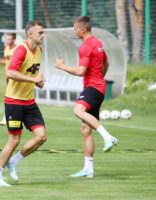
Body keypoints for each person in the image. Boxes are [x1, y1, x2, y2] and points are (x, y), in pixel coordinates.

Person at [54, 16, 119, 178]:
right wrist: (100, 79)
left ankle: (108, 136)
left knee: (78, 109)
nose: (74, 32)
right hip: (99, 87)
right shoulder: (98, 44)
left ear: (83, 29)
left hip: (92, 87)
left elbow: (80, 71)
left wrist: (62, 66)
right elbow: (107, 63)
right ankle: (88, 169)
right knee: (85, 130)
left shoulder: (85, 46)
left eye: (75, 29)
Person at [0, 21, 46, 187]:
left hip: (29, 101)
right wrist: (33, 79)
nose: (43, 35)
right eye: (40, 33)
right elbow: (10, 72)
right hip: (14, 101)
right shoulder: (21, 49)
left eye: (43, 32)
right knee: (14, 140)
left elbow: (29, 74)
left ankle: (14, 161)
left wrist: (37, 83)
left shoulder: (39, 50)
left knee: (41, 137)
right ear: (30, 34)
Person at [0, 33, 17, 125]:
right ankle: (7, 117)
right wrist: (0, 62)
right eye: (6, 39)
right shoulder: (5, 49)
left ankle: (9, 117)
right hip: (9, 77)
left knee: (14, 97)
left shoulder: (18, 49)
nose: (7, 41)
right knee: (9, 97)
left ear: (14, 39)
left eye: (9, 39)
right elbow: (6, 62)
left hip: (16, 77)